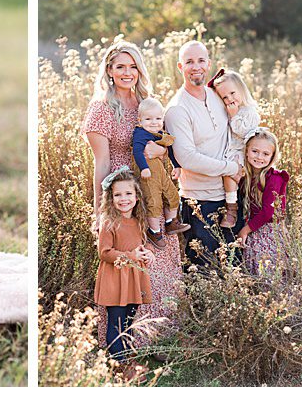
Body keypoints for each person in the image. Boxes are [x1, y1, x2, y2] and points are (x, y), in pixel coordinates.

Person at [81, 41, 181, 353]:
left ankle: (159, 340)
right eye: (120, 66)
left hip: (151, 192)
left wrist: (159, 151)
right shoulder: (101, 109)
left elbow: (164, 142)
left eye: (133, 66)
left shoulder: (147, 104)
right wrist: (101, 211)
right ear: (109, 71)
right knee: (126, 265)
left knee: (159, 260)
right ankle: (123, 346)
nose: (128, 72)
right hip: (122, 196)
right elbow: (101, 163)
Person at [164, 41, 245, 266]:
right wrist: (232, 168)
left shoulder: (217, 95)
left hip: (233, 196)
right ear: (180, 67)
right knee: (204, 271)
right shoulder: (177, 109)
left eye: (201, 61)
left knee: (235, 267)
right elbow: (186, 157)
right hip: (200, 202)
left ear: (208, 64)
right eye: (189, 62)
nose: (196, 67)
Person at [93, 167, 154, 381]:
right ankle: (119, 366)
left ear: (136, 197)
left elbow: (140, 245)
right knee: (116, 323)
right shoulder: (108, 222)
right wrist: (132, 256)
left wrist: (147, 254)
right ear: (111, 198)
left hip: (133, 279)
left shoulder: (138, 221)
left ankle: (128, 360)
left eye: (128, 194)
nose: (123, 199)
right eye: (118, 195)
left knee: (129, 322)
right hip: (115, 278)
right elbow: (105, 253)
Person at [130, 97, 191, 245]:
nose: (154, 122)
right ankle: (154, 232)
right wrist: (144, 168)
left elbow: (169, 151)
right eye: (148, 119)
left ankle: (171, 222)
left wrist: (176, 166)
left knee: (172, 194)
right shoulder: (140, 134)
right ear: (140, 121)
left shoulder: (160, 133)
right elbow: (137, 152)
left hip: (160, 172)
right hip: (148, 174)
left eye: (158, 118)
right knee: (154, 201)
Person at [209, 69, 261, 228]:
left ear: (242, 90)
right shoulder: (229, 110)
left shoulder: (249, 111)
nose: (230, 99)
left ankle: (232, 209)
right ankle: (232, 206)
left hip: (243, 153)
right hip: (230, 152)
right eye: (225, 97)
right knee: (228, 173)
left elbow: (246, 134)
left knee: (230, 174)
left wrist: (234, 116)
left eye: (233, 93)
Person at [236, 129, 289, 275]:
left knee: (268, 272)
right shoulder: (246, 175)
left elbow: (267, 212)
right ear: (246, 151)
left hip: (270, 232)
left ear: (272, 157)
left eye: (265, 154)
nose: (259, 157)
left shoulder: (274, 178)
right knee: (253, 270)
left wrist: (245, 230)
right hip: (255, 229)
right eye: (255, 151)